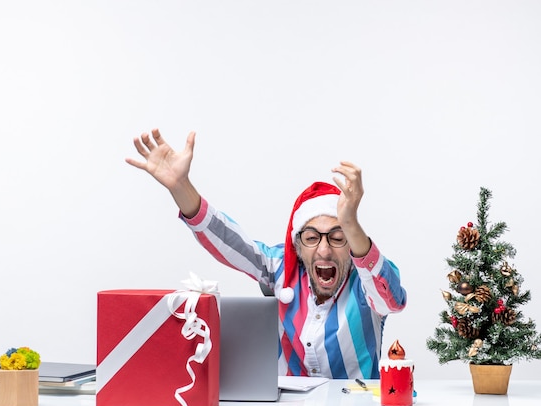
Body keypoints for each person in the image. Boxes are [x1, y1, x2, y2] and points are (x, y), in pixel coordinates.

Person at [126, 128, 407, 379]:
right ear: (298, 245)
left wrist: (351, 223)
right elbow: (229, 241)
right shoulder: (280, 267)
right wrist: (180, 187)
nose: (324, 249)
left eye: (337, 237)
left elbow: (393, 301)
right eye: (311, 238)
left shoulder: (367, 282)